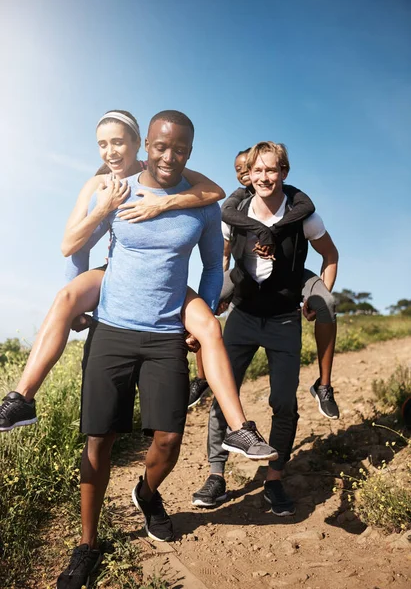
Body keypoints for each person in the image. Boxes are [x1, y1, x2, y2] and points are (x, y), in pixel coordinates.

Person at [55, 112, 276, 588]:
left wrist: (205, 312)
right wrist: (75, 296)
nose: (169, 156)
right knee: (100, 442)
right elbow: (78, 245)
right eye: (160, 147)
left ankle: (147, 492)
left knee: (169, 439)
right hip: (112, 329)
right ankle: (87, 544)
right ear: (146, 147)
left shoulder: (200, 204)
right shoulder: (118, 189)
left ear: (190, 153)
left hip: (164, 335)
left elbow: (212, 268)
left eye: (179, 149)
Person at [0, 112, 274, 464]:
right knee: (66, 297)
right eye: (103, 144)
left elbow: (214, 191)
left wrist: (164, 202)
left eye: (118, 142)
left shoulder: (162, 166)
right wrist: (82, 293)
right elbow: (74, 246)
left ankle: (239, 428)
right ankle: (22, 398)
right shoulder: (101, 185)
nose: (111, 152)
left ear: (137, 145)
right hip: (117, 272)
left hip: (168, 281)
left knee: (208, 325)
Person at [192, 141, 339, 514]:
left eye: (271, 170)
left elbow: (331, 256)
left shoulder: (305, 218)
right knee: (223, 397)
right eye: (257, 170)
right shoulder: (235, 213)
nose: (263, 177)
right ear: (249, 174)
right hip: (242, 314)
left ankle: (274, 481)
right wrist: (220, 292)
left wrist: (316, 298)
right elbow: (221, 258)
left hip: (284, 319)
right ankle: (216, 475)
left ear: (284, 173)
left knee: (283, 404)